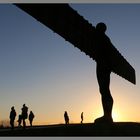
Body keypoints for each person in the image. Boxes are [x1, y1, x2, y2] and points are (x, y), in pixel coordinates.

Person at [94, 22, 114, 123]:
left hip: (103, 66)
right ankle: (107, 115)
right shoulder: (104, 39)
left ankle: (107, 116)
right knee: (104, 90)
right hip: (104, 65)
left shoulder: (103, 38)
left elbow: (106, 54)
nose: (96, 28)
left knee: (104, 90)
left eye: (98, 27)